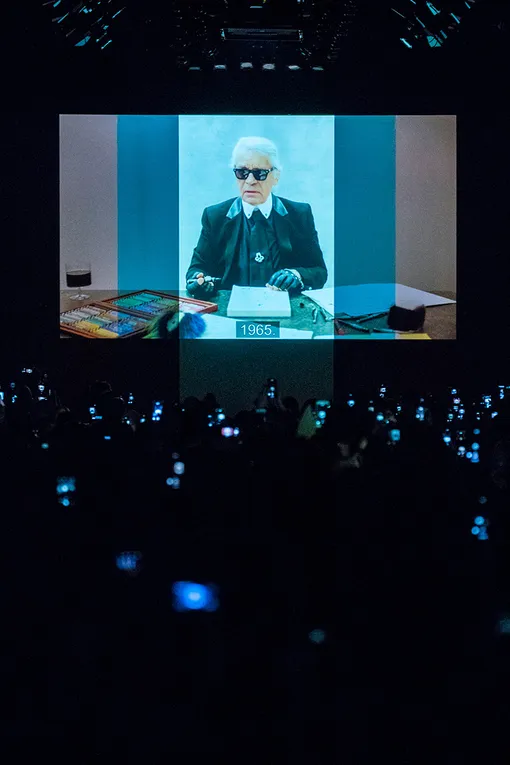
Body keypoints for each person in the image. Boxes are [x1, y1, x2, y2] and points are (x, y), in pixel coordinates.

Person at [186, 136, 328, 298]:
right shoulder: (215, 216)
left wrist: (297, 274)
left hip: (286, 306)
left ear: (276, 176)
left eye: (259, 173)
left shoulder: (299, 214)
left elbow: (319, 271)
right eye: (242, 172)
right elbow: (197, 269)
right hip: (230, 307)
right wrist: (199, 280)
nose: (250, 181)